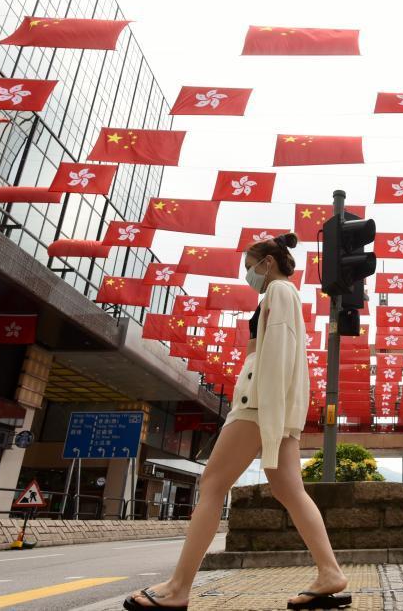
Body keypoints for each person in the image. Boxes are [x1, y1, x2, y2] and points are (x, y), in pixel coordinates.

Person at [124, 234, 350, 611]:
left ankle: (179, 587)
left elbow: (275, 355)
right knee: (291, 491)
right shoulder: (282, 294)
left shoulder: (278, 291)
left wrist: (270, 411)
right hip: (269, 405)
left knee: (212, 484)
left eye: (250, 267)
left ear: (268, 262)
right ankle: (329, 572)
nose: (248, 275)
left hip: (258, 404)